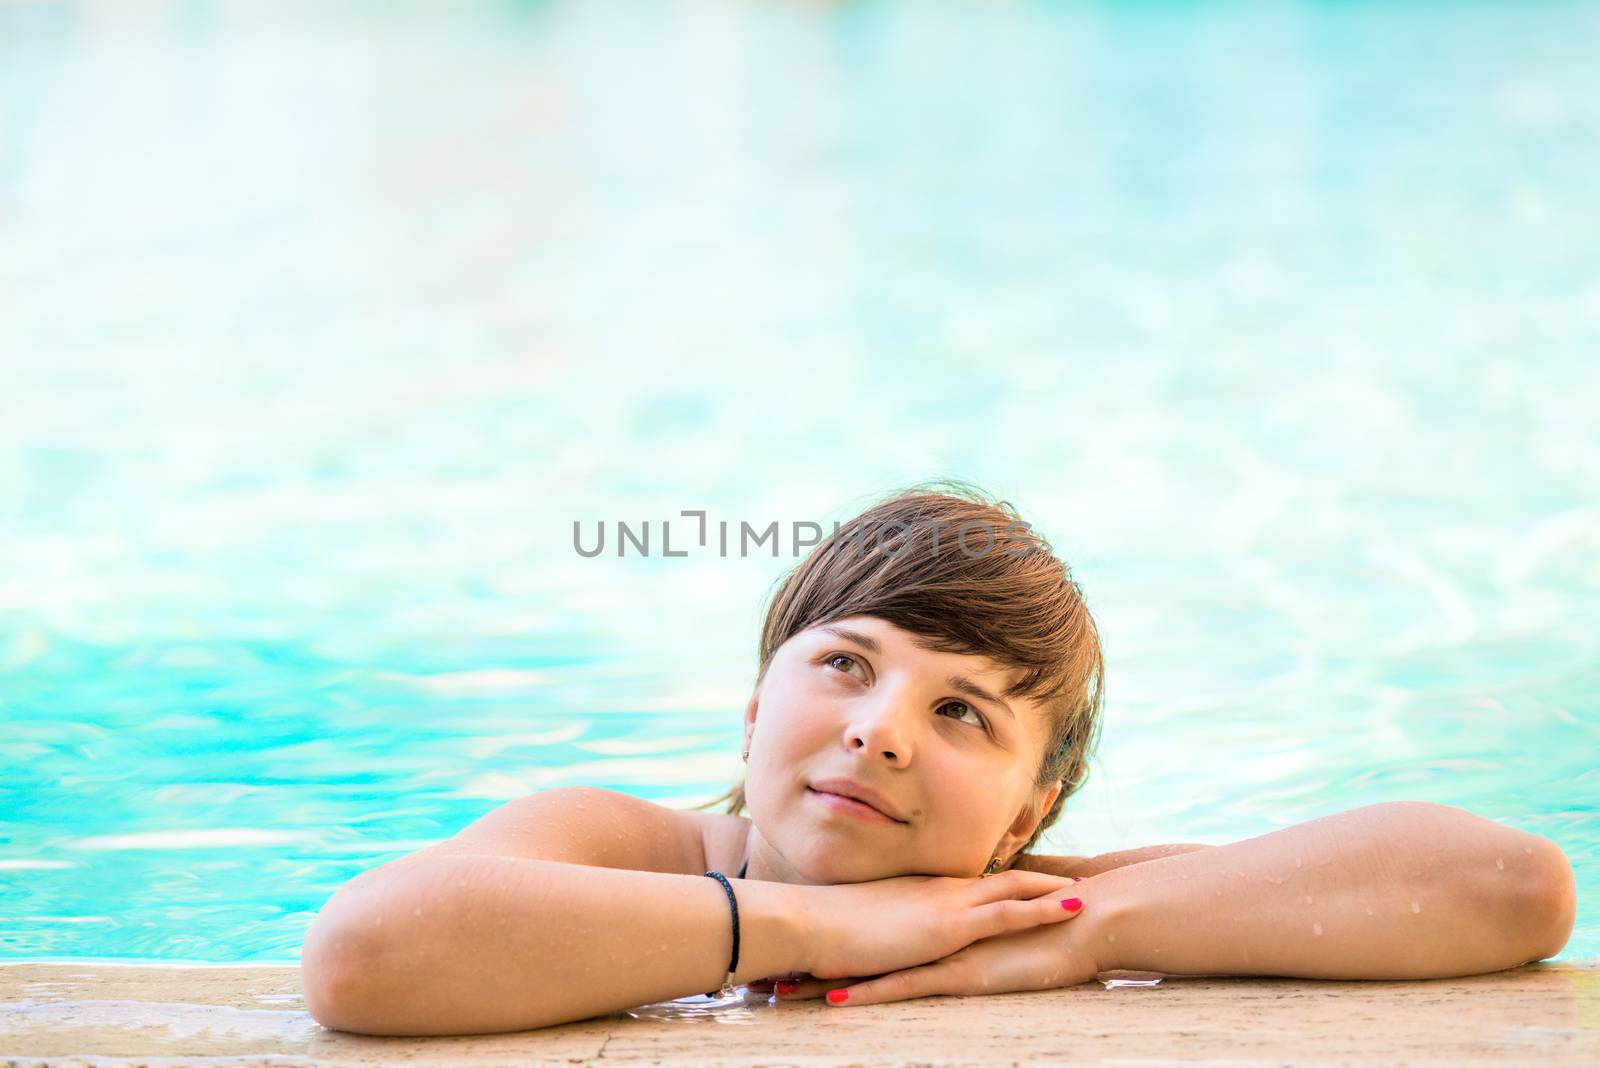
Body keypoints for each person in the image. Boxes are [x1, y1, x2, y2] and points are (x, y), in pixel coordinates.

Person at [300, 480, 1577, 1036]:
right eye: (846, 664)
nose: (880, 728)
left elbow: (1510, 888)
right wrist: (810, 926)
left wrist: (1084, 929)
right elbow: (366, 954)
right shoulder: (615, 845)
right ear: (754, 715)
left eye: (964, 712)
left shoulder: (1016, 905)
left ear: (1027, 816)